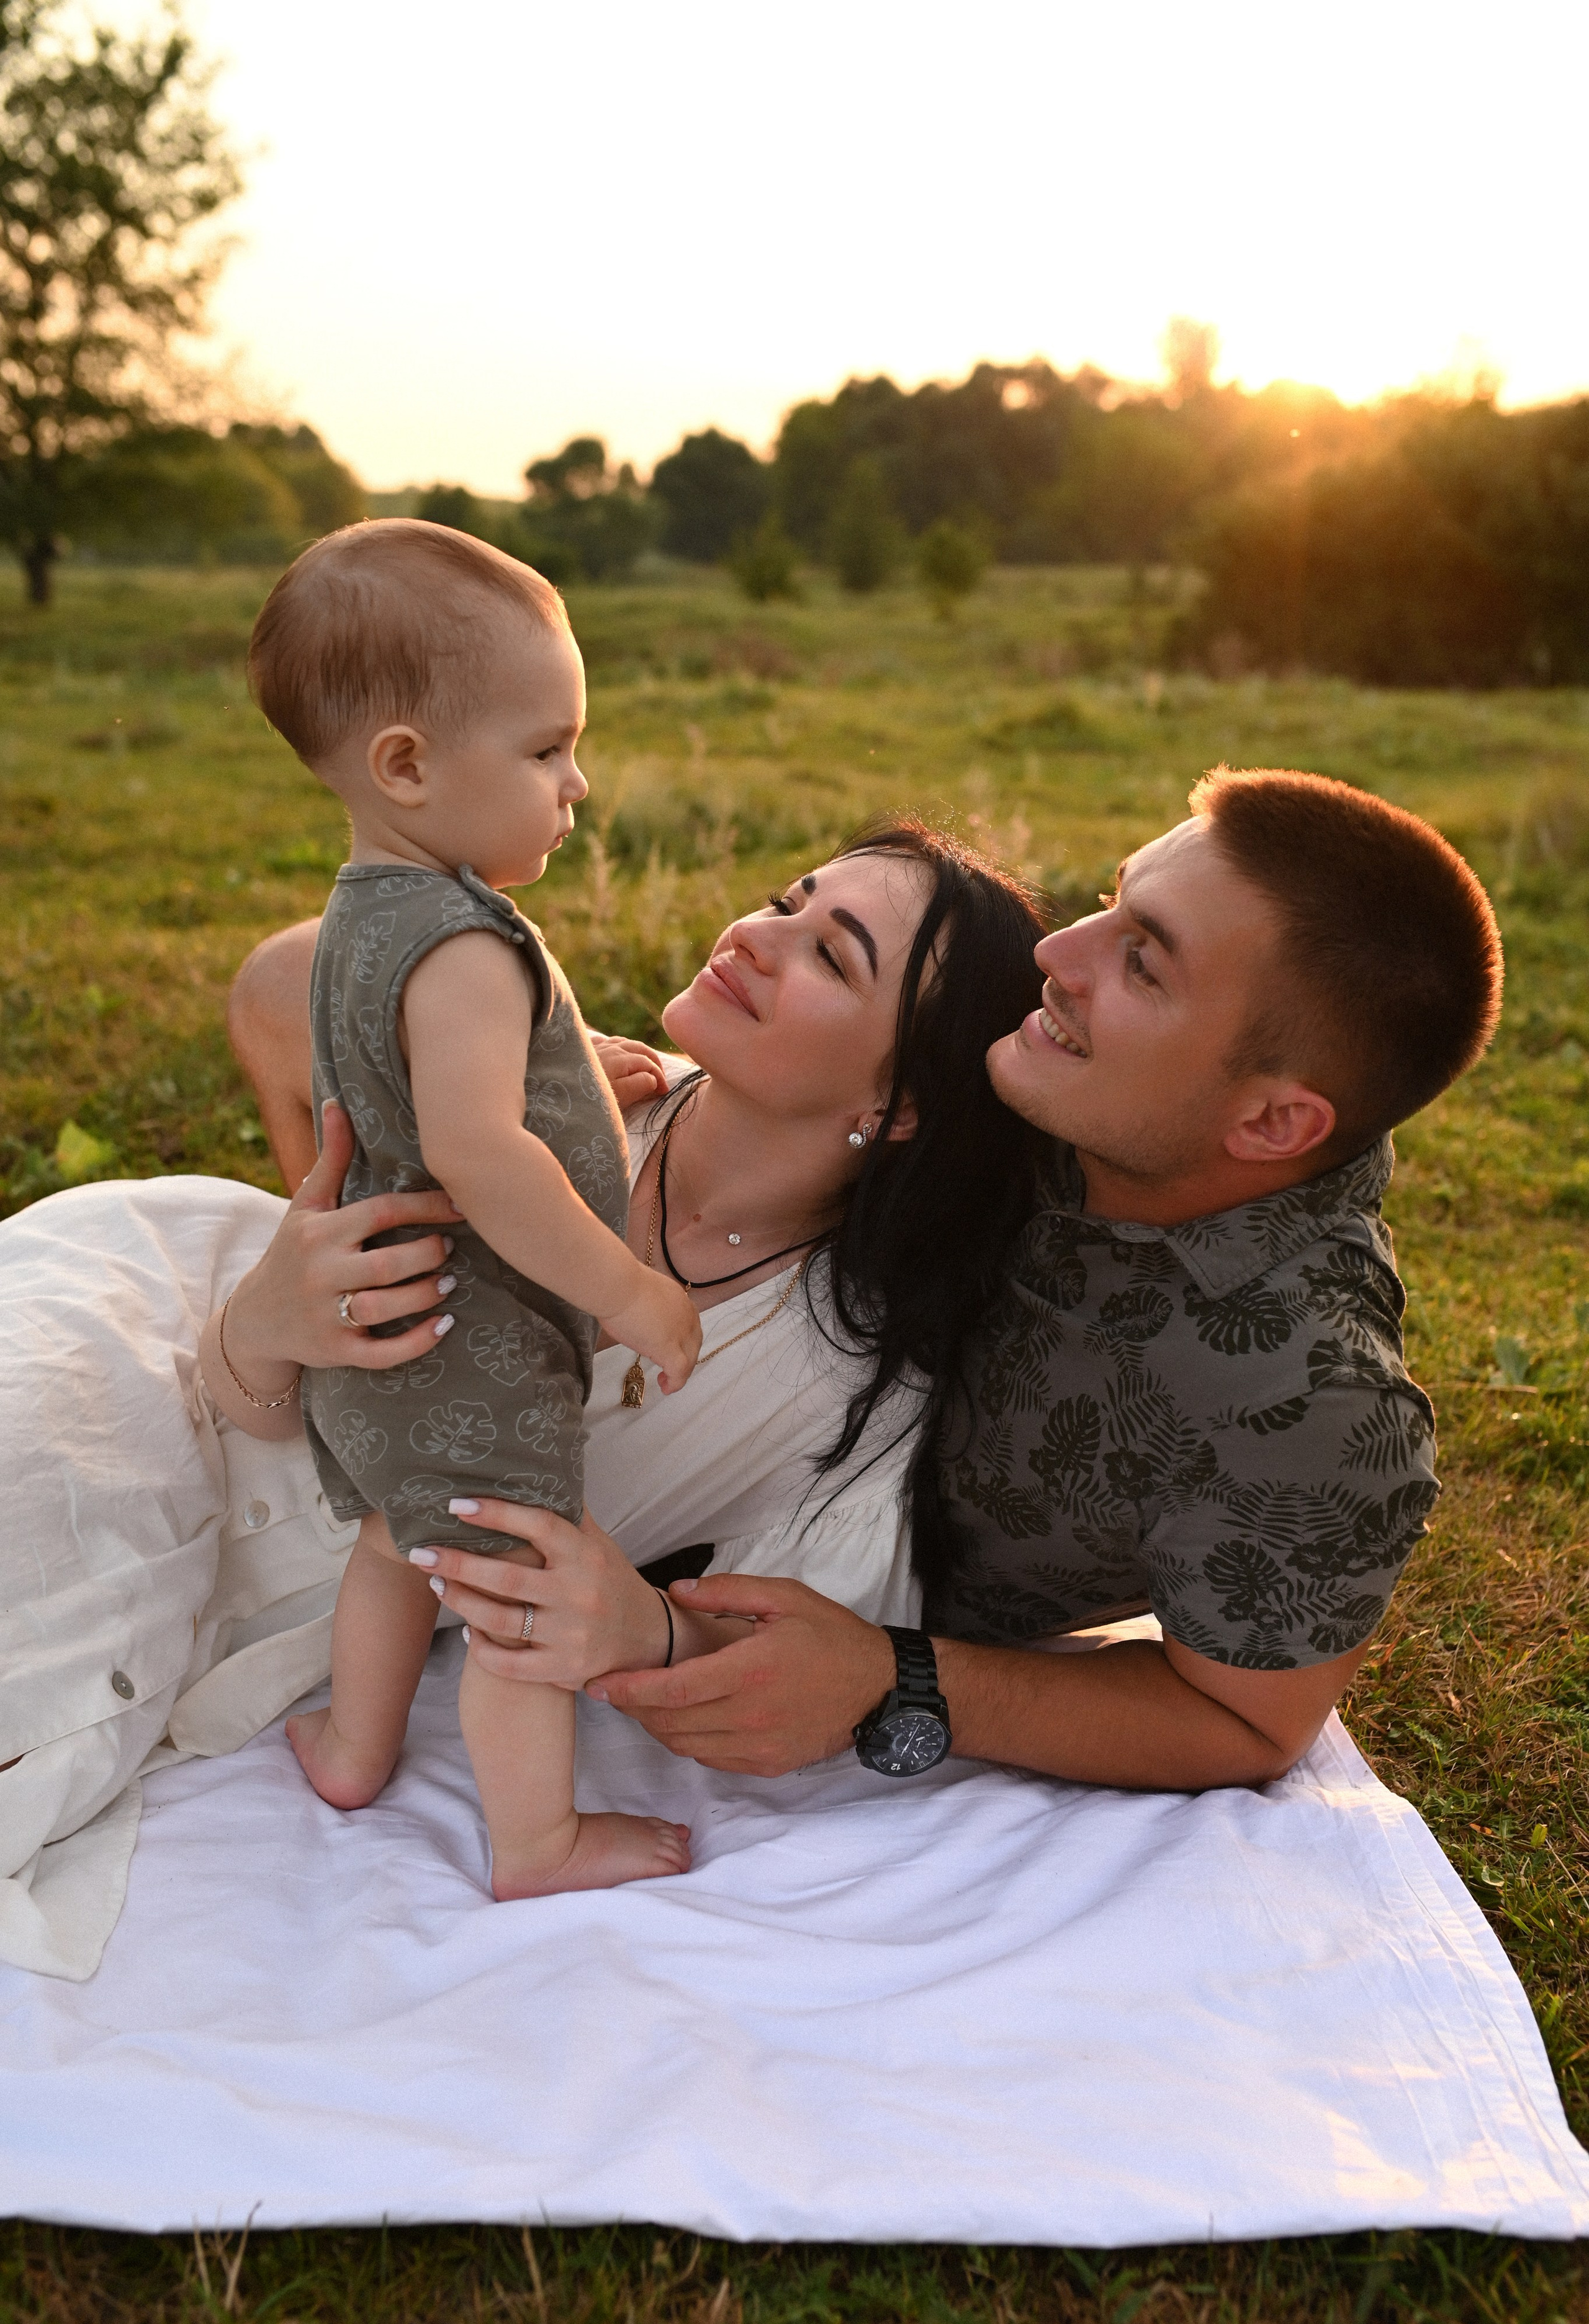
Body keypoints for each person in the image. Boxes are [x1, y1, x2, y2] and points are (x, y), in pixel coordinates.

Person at [0, 815, 1050, 1973]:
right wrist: (275, 1313)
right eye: (790, 899)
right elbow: (273, 987)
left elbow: (798, 1651)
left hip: (259, 1575)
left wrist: (641, 1623)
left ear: (900, 1106)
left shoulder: (845, 1375)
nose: (760, 934)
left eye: (830, 956)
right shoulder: (556, 1091)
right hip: (132, 1350)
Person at [353, 769, 1501, 1795]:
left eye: (1142, 961)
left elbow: (1249, 1724)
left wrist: (903, 1682)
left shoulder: (1310, 1406)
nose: (1061, 955)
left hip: (794, 1552)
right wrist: (509, 1108)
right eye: (1111, 899)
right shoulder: (1051, 1067)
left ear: (1273, 1121)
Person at [242, 519, 703, 1896]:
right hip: (472, 1341)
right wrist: (629, 1291)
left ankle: (350, 1747)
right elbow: (482, 1152)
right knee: (507, 1592)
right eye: (547, 748)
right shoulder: (463, 945)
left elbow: (428, 1094)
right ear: (407, 764)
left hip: (390, 1350)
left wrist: (581, 1078)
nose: (579, 782)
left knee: (400, 1539)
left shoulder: (367, 913)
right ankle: (536, 1839)